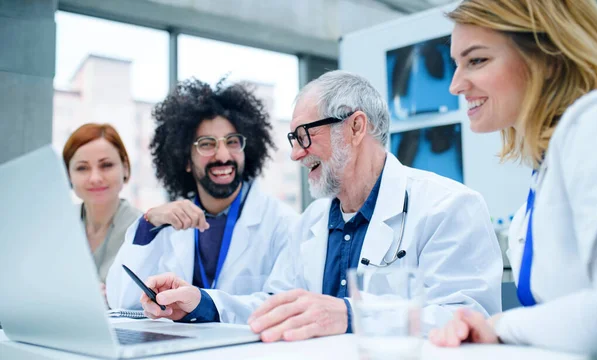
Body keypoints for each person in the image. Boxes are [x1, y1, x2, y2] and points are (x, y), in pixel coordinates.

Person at [138, 70, 503, 341]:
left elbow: (469, 319)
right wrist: (200, 302)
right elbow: (275, 306)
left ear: (356, 127)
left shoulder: (449, 207)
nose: (297, 153)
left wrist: (349, 315)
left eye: (304, 135)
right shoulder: (312, 221)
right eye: (293, 139)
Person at [429, 0, 597, 355]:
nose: (456, 85)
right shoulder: (546, 169)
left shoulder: (590, 126)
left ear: (549, 58)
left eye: (477, 60)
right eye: (455, 65)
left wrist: (500, 327)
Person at [106, 78, 299, 310]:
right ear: (186, 160)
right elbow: (120, 301)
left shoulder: (283, 224)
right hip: (179, 346)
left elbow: (287, 304)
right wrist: (149, 223)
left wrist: (206, 306)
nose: (223, 155)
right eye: (207, 144)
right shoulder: (166, 226)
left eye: (233, 142)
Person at [63, 123, 142, 298]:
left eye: (106, 165)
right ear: (68, 174)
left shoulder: (143, 229)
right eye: (82, 168)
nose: (95, 178)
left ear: (125, 168)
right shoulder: (58, 225)